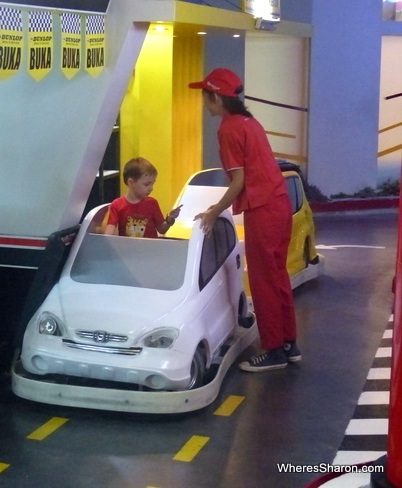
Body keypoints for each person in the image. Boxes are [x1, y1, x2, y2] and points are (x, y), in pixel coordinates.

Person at [188, 68, 301, 372]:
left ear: (216, 98)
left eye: (205, 96)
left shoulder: (228, 129)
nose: (203, 102)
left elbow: (238, 181)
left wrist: (213, 211)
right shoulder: (250, 123)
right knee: (278, 277)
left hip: (262, 211)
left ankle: (274, 351)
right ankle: (289, 345)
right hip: (279, 205)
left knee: (263, 281)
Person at [104, 157, 181, 238]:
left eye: (153, 183)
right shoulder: (117, 205)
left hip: (149, 248)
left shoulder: (152, 203)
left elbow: (162, 230)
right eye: (147, 184)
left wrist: (170, 219)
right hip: (127, 249)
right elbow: (109, 232)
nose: (151, 188)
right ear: (131, 183)